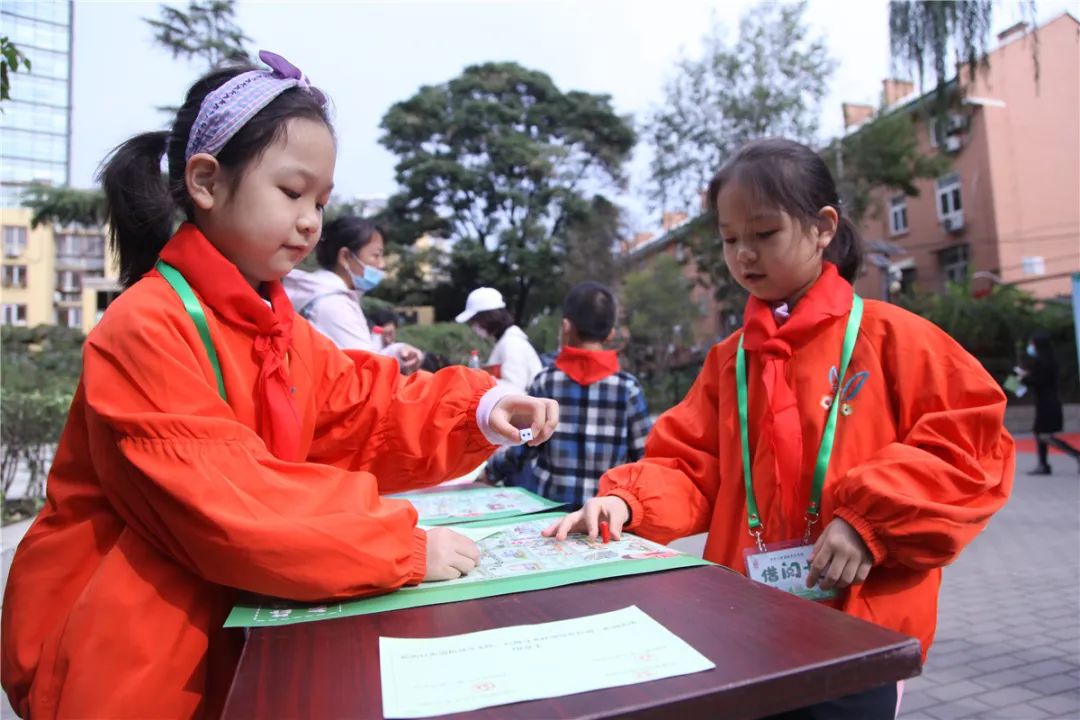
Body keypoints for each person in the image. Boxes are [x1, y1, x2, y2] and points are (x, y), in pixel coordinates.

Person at [1, 52, 558, 719]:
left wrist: (480, 407)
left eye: (321, 201)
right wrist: (400, 548)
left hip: (230, 629)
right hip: (132, 653)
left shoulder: (275, 326)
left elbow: (360, 406)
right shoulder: (146, 326)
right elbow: (232, 504)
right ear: (206, 181)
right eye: (292, 192)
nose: (311, 221)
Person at [546, 138, 1014, 719]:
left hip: (858, 628)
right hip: (747, 624)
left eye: (763, 234)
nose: (744, 255)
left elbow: (971, 446)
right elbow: (690, 464)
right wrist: (627, 504)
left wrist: (872, 521)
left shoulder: (893, 338)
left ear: (823, 227)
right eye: (729, 239)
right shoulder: (729, 360)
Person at [487, 282, 652, 509]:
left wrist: (490, 472)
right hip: (603, 518)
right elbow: (644, 460)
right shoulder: (628, 389)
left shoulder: (545, 382)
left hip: (550, 514)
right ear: (610, 334)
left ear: (566, 326)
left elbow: (521, 447)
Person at [283, 216, 422, 373]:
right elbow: (366, 370)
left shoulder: (327, 296)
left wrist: (396, 350)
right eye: (376, 255)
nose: (381, 264)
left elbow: (360, 355)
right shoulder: (334, 305)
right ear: (346, 257)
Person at [457, 287, 543, 393]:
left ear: (487, 317)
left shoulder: (512, 344)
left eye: (474, 321)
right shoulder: (507, 341)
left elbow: (515, 388)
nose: (473, 327)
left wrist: (479, 382)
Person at [1018, 332, 1080, 474]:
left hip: (1048, 403)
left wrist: (1023, 378)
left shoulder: (1043, 362)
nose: (1031, 347)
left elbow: (1039, 382)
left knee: (1044, 434)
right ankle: (1043, 464)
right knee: (1039, 433)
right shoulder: (1048, 360)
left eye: (1032, 344)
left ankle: (1076, 454)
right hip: (1046, 401)